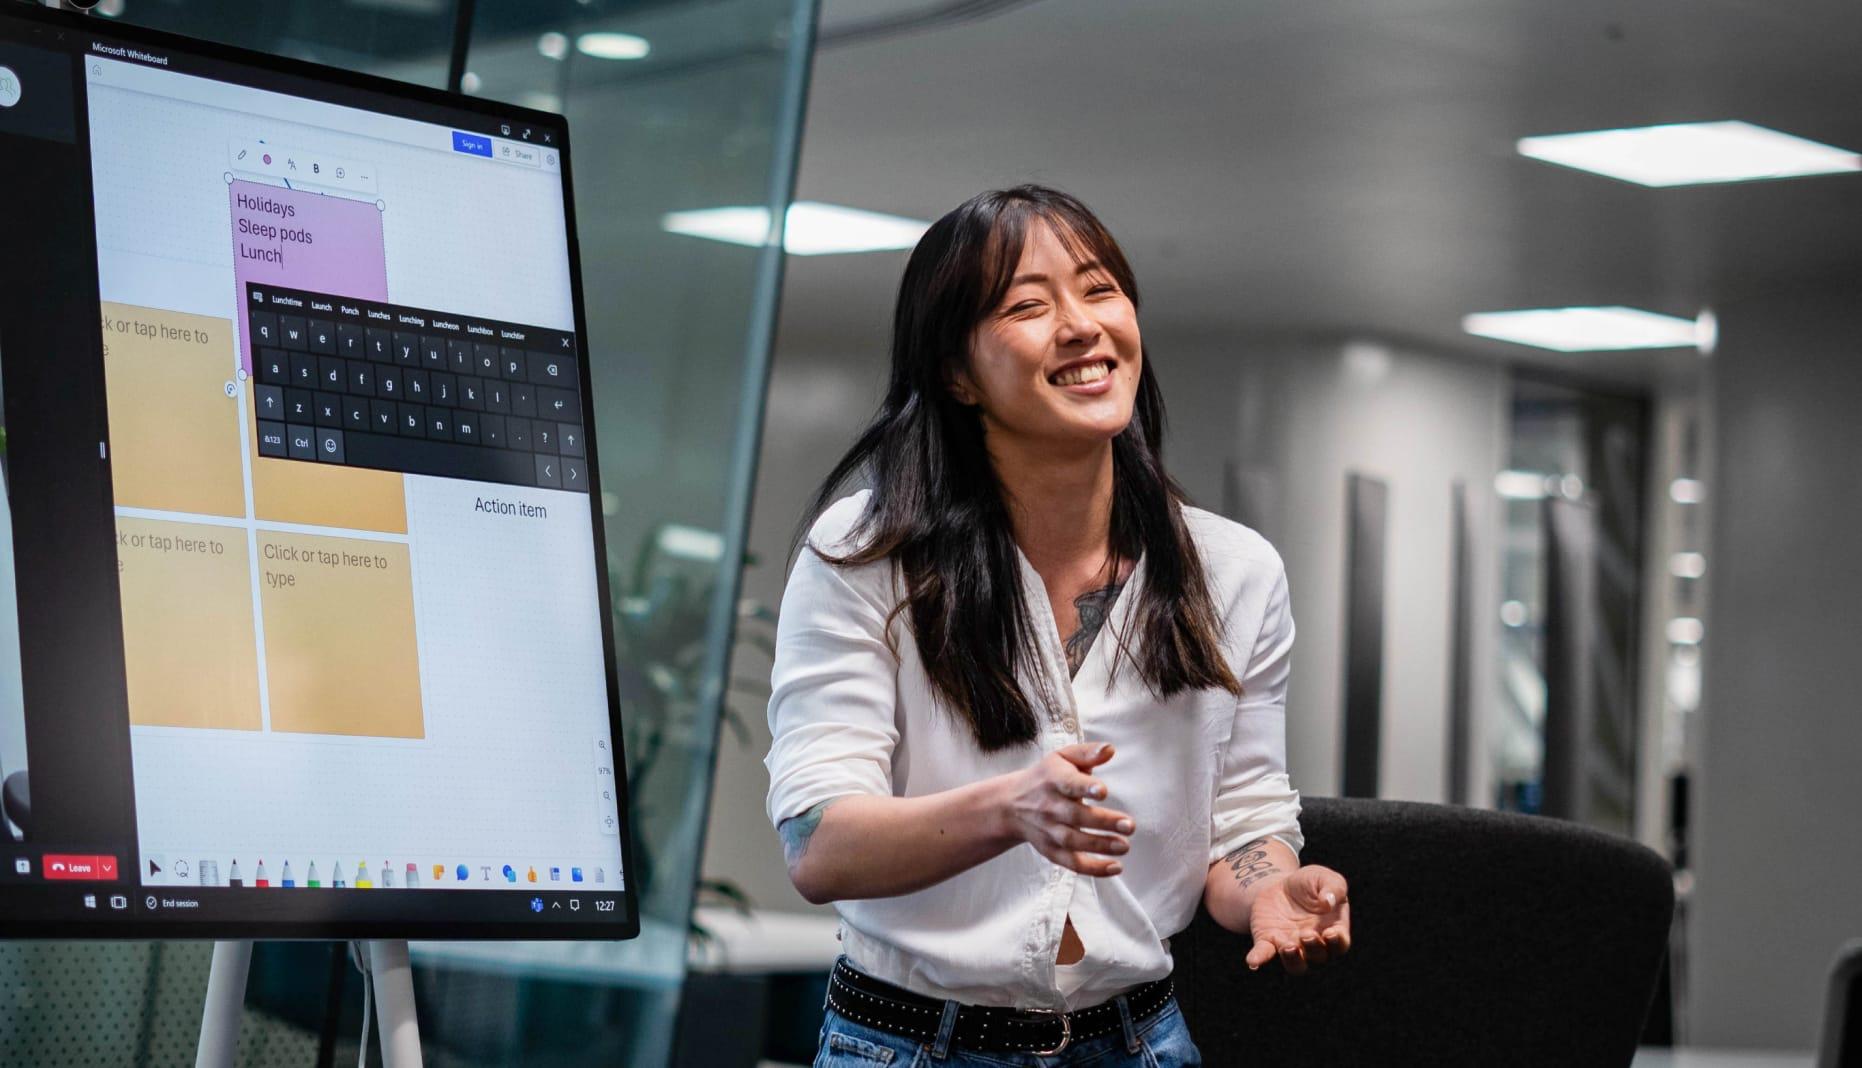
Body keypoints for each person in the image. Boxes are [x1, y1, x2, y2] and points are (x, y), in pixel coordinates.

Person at [765, 185, 1351, 1066]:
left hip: (1138, 1040)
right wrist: (1010, 808)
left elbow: (1240, 818)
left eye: (1100, 289)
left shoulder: (1235, 572)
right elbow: (819, 845)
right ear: (957, 373)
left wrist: (1270, 886)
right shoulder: (866, 552)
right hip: (914, 1041)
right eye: (1028, 306)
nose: (1081, 325)